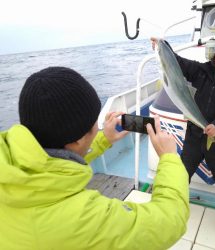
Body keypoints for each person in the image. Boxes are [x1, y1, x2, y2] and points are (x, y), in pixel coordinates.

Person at [0, 66, 189, 250]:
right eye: (94, 125)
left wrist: (102, 140)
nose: (96, 128)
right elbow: (170, 221)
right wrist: (169, 157)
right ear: (79, 140)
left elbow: (48, 162)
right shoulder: (86, 221)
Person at [151, 33, 215, 248]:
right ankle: (168, 210)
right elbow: (177, 62)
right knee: (180, 175)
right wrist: (162, 45)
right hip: (194, 137)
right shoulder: (202, 71)